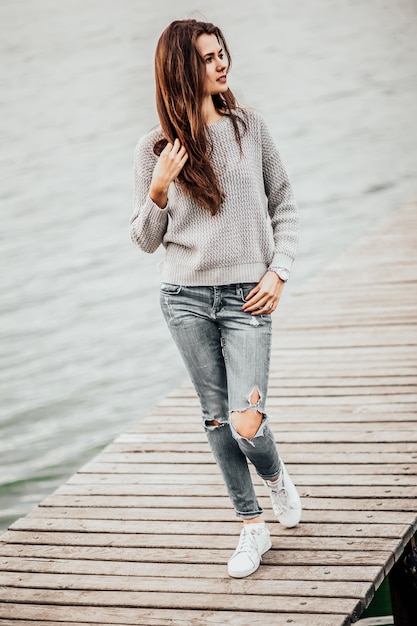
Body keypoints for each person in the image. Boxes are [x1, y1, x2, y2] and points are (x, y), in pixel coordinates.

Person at [130, 18, 301, 579]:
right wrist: (158, 188)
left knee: (245, 420)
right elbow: (144, 239)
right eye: (207, 57)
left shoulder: (250, 129)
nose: (221, 63)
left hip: (248, 295)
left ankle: (274, 478)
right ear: (182, 68)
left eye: (222, 52)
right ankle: (251, 526)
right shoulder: (155, 148)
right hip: (185, 299)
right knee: (215, 420)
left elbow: (285, 203)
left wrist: (279, 271)